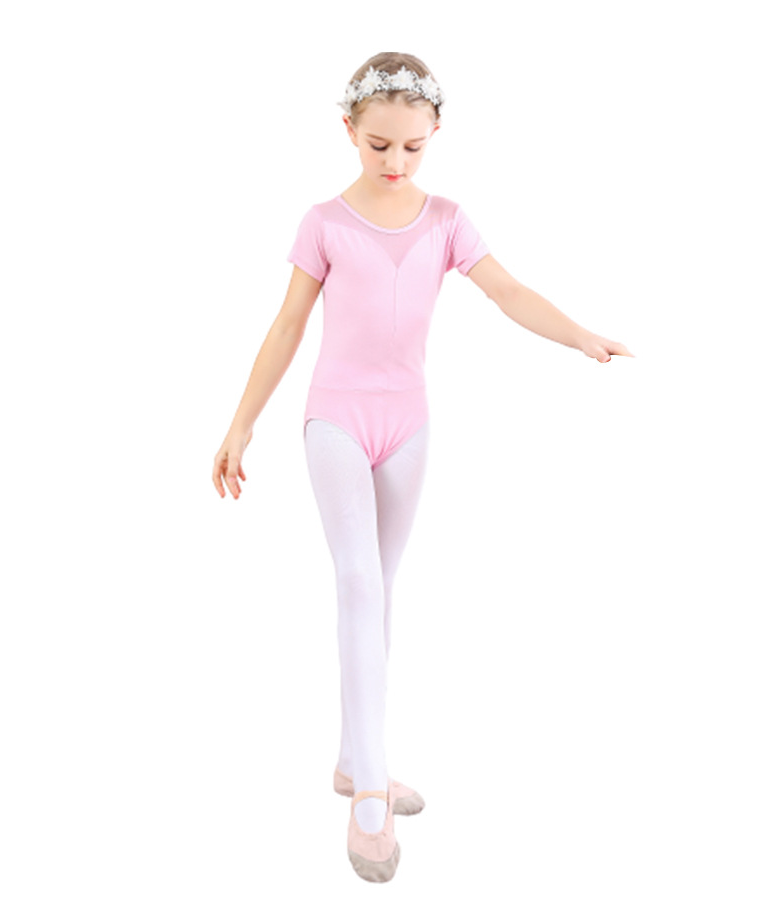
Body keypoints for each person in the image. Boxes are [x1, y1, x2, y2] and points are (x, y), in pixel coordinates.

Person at [211, 51, 633, 883]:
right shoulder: (324, 222)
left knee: (382, 587)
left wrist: (579, 334)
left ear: (436, 132)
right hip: (336, 417)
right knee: (357, 583)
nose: (396, 162)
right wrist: (241, 423)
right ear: (348, 131)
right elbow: (288, 326)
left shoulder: (447, 219)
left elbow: (508, 292)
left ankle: (352, 756)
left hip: (409, 423)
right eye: (379, 146)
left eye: (413, 146)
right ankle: (371, 787)